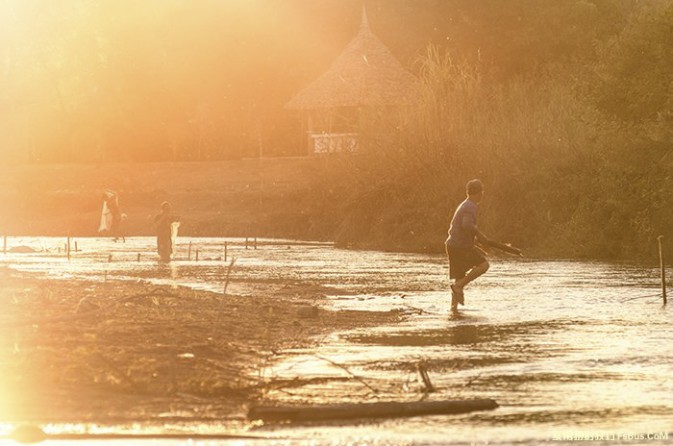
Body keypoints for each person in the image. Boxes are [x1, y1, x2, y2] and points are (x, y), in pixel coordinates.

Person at [445, 179, 491, 311]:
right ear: (479, 193)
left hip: (453, 245)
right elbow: (467, 226)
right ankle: (459, 287)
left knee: (458, 281)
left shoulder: (465, 205)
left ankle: (454, 310)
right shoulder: (471, 206)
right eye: (482, 192)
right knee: (484, 265)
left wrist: (477, 242)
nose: (482, 195)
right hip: (459, 247)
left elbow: (462, 229)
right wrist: (481, 236)